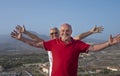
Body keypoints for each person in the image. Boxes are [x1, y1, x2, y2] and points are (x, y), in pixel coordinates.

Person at [11, 23, 120, 76]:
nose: (64, 32)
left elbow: (93, 47)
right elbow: (35, 42)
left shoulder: (76, 43)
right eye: (62, 30)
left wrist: (108, 43)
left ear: (71, 32)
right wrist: (23, 37)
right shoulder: (52, 43)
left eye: (67, 30)